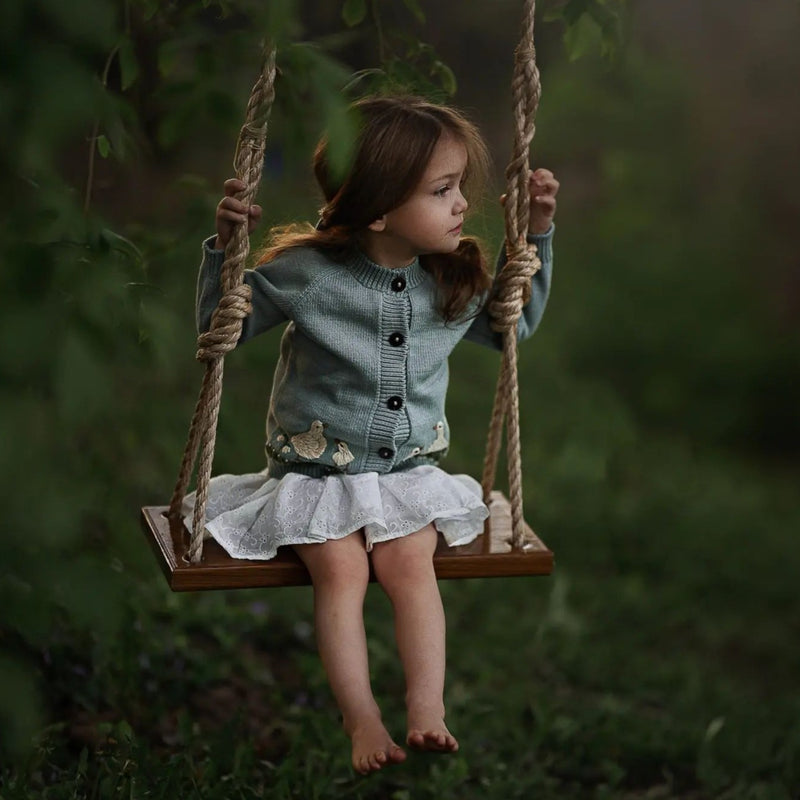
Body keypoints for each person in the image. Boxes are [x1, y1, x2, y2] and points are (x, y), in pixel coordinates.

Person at [187, 94, 558, 774]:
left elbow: (514, 325)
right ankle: (362, 718)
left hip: (405, 479)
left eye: (459, 189)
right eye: (442, 190)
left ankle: (427, 709)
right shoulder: (309, 275)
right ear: (380, 208)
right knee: (342, 571)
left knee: (412, 567)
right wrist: (226, 252)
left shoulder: (448, 280)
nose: (460, 206)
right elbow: (221, 330)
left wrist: (534, 236)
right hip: (316, 481)